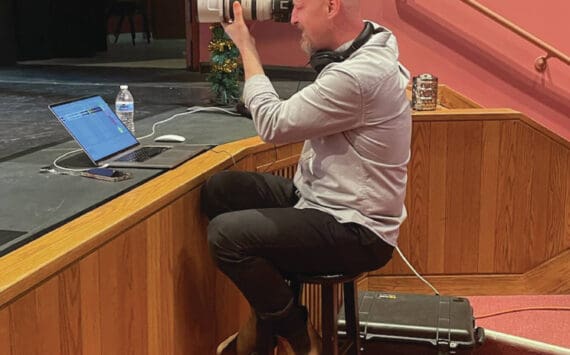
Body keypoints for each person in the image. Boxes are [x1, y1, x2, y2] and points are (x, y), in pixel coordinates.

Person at [200, 0, 412, 354]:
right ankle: (268, 318)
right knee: (221, 191)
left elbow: (273, 123)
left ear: (331, 6)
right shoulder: (367, 41)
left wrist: (247, 47)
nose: (292, 18)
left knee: (225, 237)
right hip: (318, 199)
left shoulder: (359, 75)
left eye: (299, 6)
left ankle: (301, 339)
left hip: (355, 228)